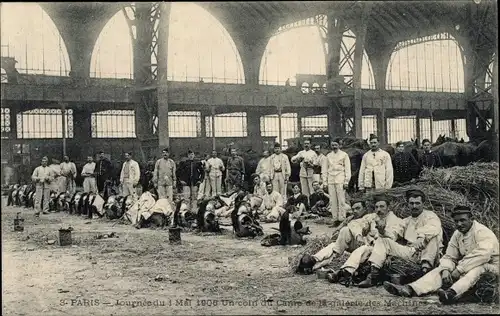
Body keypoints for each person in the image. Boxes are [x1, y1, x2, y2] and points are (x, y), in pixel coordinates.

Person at [383, 205, 499, 305]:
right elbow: (450, 256)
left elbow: (483, 255)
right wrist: (446, 269)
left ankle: (451, 293)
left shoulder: (482, 232)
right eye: (456, 221)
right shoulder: (458, 234)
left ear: (471, 219)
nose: (459, 224)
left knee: (478, 269)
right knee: (440, 270)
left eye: (463, 220)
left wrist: (459, 269)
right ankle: (410, 289)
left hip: (491, 266)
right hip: (468, 264)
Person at [356, 189, 443, 288]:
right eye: (411, 203)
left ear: (423, 203)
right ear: (408, 204)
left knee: (434, 238)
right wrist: (382, 231)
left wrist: (421, 237)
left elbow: (434, 228)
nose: (414, 206)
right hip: (411, 252)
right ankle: (373, 275)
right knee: (383, 240)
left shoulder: (430, 216)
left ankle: (424, 272)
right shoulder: (406, 221)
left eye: (417, 203)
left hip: (429, 253)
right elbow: (393, 235)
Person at [328, 195, 404, 284]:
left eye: (382, 206)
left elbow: (392, 238)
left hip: (381, 250)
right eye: (376, 207)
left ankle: (343, 272)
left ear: (388, 208)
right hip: (368, 244)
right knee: (345, 230)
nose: (379, 209)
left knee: (363, 249)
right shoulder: (372, 216)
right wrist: (358, 235)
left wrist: (382, 231)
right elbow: (354, 223)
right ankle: (335, 259)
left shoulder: (395, 221)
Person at [300, 199, 376, 272]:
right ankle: (313, 260)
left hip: (365, 244)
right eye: (353, 209)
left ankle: (315, 265)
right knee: (338, 239)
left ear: (365, 209)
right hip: (350, 245)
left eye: (358, 208)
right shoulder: (350, 218)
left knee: (345, 232)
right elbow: (337, 231)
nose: (355, 211)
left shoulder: (369, 217)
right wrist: (337, 234)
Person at [322, 139, 351, 224]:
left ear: (339, 145)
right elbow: (324, 169)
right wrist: (324, 182)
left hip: (340, 179)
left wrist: (346, 181)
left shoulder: (344, 155)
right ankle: (335, 219)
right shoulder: (328, 156)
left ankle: (342, 219)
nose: (334, 147)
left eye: (336, 145)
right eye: (333, 145)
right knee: (332, 200)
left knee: (341, 200)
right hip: (331, 179)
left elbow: (347, 169)